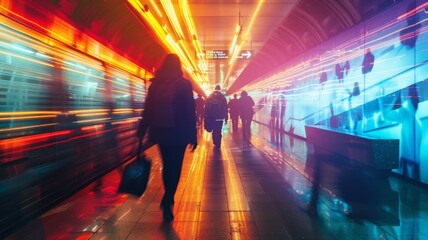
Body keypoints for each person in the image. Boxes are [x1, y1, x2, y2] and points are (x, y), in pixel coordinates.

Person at [137, 54, 197, 222]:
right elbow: (189, 112)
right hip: (179, 133)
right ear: (179, 67)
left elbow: (148, 109)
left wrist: (142, 131)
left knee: (166, 165)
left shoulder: (155, 84)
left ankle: (167, 196)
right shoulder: (184, 85)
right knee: (175, 167)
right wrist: (193, 136)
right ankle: (168, 198)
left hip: (161, 132)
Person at [204, 85, 228, 150]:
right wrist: (226, 118)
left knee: (214, 130)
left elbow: (206, 107)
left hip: (211, 117)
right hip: (219, 117)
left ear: (214, 89)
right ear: (220, 89)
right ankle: (218, 144)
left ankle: (214, 142)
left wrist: (205, 116)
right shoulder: (222, 97)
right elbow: (225, 108)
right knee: (218, 130)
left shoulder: (210, 96)